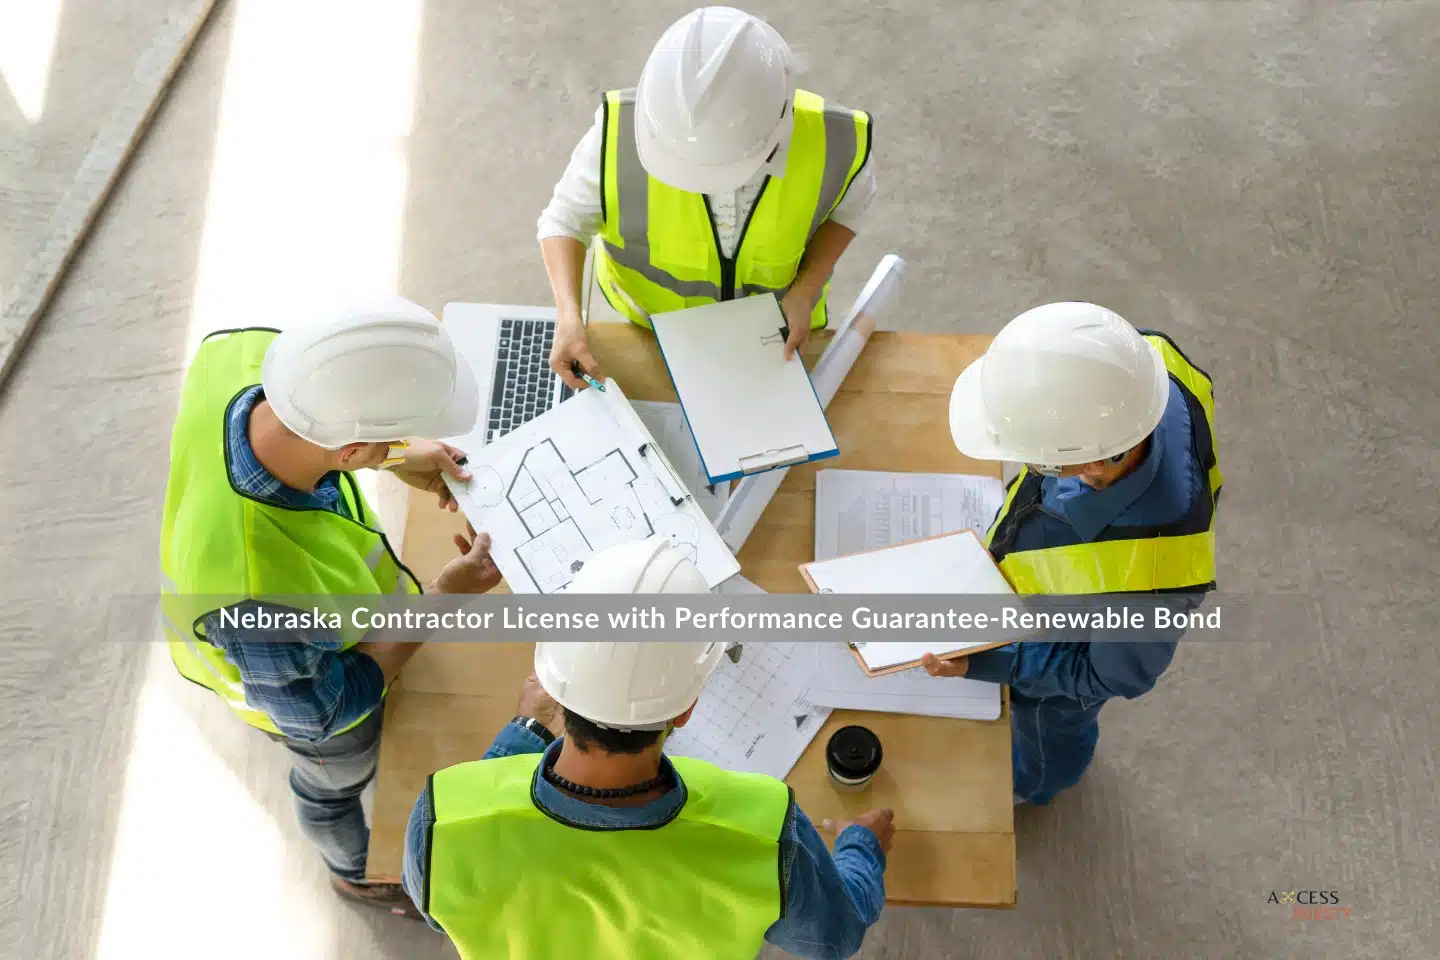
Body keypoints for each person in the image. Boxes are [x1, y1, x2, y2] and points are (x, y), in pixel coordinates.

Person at [159, 296, 505, 916]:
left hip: (313, 625)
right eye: (389, 439)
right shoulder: (253, 589)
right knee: (331, 784)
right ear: (347, 451)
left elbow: (327, 431)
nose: (400, 445)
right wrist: (443, 600)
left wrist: (399, 454)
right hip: (308, 699)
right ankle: (352, 874)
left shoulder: (253, 361)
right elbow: (322, 712)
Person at [401, 537, 893, 959]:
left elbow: (442, 911)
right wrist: (860, 845)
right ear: (685, 709)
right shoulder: (761, 829)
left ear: (556, 679)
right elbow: (836, 934)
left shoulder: (444, 816)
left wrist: (526, 728)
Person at [926, 302, 1221, 805]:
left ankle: (1037, 785)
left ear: (1093, 463)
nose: (1026, 464)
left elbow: (1107, 675)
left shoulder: (1152, 579)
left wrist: (992, 660)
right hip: (1045, 589)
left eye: (1036, 457)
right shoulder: (1140, 367)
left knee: (1049, 737)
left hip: (1052, 679)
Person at [540, 6, 876, 388]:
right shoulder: (614, 136)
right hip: (643, 326)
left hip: (770, 338)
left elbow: (848, 210)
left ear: (779, 118)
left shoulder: (837, 142)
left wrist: (805, 291)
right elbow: (564, 220)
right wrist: (569, 317)